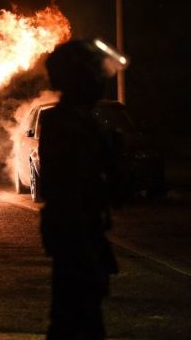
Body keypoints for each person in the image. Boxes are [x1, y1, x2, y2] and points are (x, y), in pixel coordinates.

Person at [39, 39, 128, 340]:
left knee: (76, 317)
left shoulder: (78, 122)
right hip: (76, 236)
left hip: (79, 234)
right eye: (96, 73)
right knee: (77, 321)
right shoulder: (70, 125)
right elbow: (72, 191)